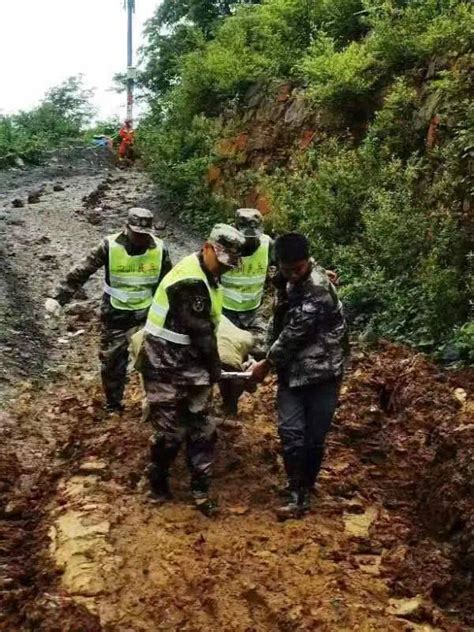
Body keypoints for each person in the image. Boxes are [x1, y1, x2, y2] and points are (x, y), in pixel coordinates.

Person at [138, 223, 246, 517]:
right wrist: (215, 369)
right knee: (170, 433)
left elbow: (212, 326)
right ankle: (157, 480)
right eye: (223, 262)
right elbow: (200, 331)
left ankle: (200, 490)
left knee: (203, 429)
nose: (226, 269)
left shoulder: (211, 277)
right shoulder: (188, 281)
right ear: (208, 248)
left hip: (192, 365)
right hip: (163, 365)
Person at [251, 233, 348, 520]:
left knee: (314, 440)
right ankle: (297, 494)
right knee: (292, 434)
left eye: (299, 269)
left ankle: (306, 486)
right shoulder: (288, 277)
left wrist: (264, 365)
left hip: (323, 374)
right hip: (292, 374)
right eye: (287, 269)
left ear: (308, 262)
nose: (293, 274)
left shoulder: (318, 289)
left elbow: (293, 334)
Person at [46, 208, 172, 412]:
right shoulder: (109, 246)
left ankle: (156, 403)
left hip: (146, 314)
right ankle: (114, 405)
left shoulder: (159, 249)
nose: (140, 238)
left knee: (154, 359)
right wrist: (58, 298)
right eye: (136, 234)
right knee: (113, 361)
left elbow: (170, 283)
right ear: (127, 229)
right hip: (116, 314)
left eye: (144, 234)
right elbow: (81, 271)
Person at [219, 208, 272, 414]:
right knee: (228, 361)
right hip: (227, 312)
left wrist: (319, 271)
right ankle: (229, 403)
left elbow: (289, 261)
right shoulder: (225, 246)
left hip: (254, 311)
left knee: (260, 354)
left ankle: (245, 384)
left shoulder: (269, 244)